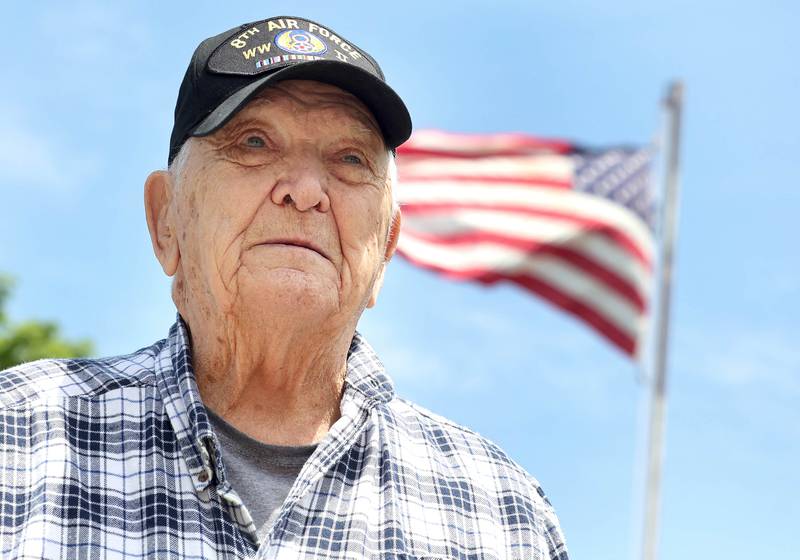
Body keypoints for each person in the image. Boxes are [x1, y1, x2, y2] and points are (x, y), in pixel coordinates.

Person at [0, 16, 568, 559]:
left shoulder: (503, 515)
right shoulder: (17, 440)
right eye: (253, 143)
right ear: (165, 220)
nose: (304, 189)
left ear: (386, 250)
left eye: (349, 159)